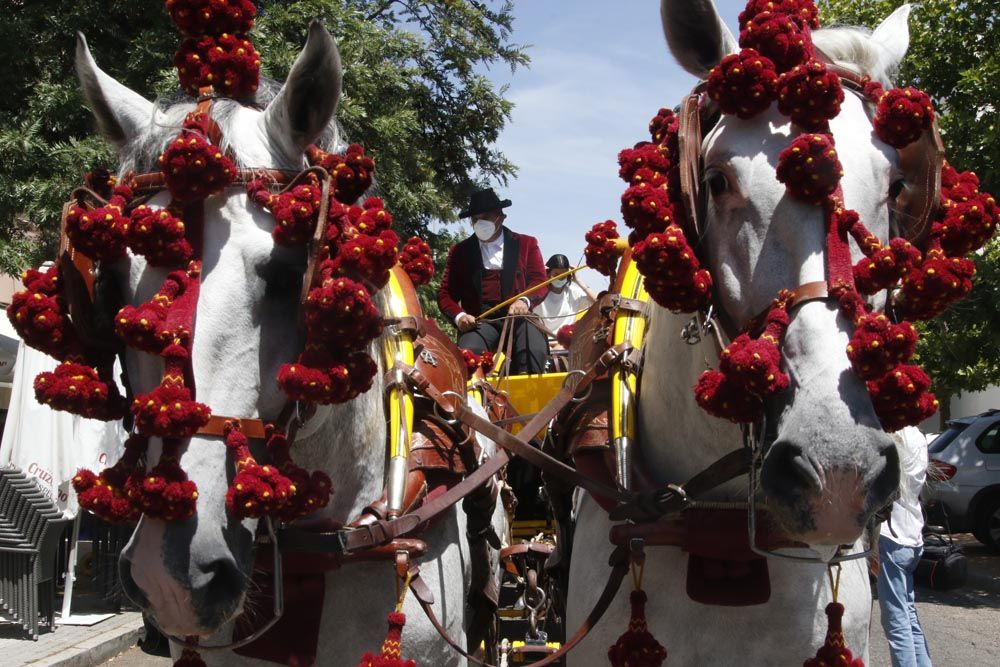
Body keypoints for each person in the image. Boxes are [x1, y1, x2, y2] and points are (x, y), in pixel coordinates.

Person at [438, 187, 549, 374]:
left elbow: (540, 280)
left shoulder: (526, 243)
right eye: (475, 220)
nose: (480, 223)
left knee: (534, 350)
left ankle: (528, 394)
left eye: (486, 218)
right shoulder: (460, 251)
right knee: (468, 355)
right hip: (480, 322)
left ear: (501, 216)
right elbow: (445, 293)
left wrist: (525, 300)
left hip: (519, 318)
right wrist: (460, 317)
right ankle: (473, 399)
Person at [877, 425, 932, 667]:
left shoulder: (892, 436)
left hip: (893, 534)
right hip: (912, 533)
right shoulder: (918, 436)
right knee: (908, 615)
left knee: (896, 620)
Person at [534, 253, 597, 338]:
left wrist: (579, 281)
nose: (560, 278)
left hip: (564, 344)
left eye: (563, 275)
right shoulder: (537, 292)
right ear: (548, 274)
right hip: (540, 343)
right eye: (556, 274)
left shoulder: (573, 292)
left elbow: (598, 302)